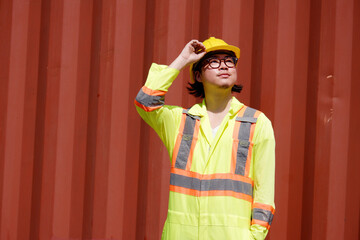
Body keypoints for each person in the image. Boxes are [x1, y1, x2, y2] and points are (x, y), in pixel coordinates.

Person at [135, 37, 275, 240]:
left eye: (229, 60)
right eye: (214, 61)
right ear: (198, 75)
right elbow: (145, 101)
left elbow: (265, 193)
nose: (224, 66)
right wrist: (183, 59)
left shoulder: (256, 123)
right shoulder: (180, 122)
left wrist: (254, 237)